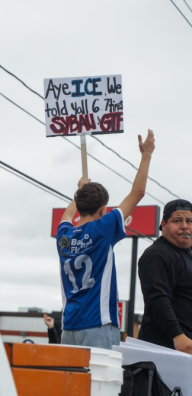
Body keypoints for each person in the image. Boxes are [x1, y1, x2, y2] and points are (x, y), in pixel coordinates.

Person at [56, 130, 155, 349]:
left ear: (79, 206)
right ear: (103, 209)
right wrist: (146, 154)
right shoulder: (103, 228)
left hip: (68, 327)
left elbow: (66, 216)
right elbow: (137, 192)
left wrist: (80, 191)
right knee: (103, 373)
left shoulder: (63, 236)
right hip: (97, 324)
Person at [138, 199, 192, 354]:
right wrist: (178, 336)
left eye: (189, 221)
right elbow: (157, 299)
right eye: (177, 220)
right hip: (166, 351)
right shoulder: (158, 254)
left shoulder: (186, 254)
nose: (184, 226)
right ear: (163, 224)